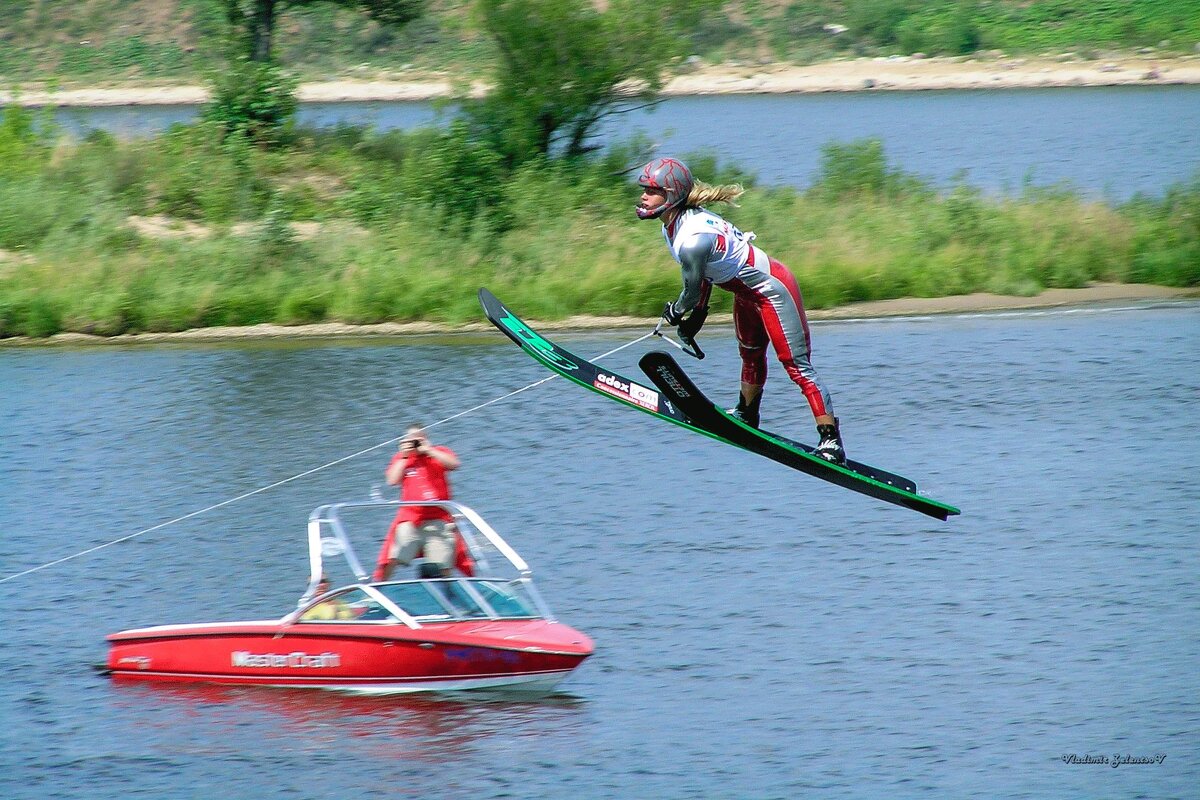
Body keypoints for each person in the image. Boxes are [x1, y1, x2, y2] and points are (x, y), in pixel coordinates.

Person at [635, 157, 846, 464]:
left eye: (652, 191)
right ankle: (747, 414)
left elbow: (691, 291)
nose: (643, 196)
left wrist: (677, 311)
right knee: (750, 354)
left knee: (796, 366)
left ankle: (831, 442)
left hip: (773, 290)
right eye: (644, 189)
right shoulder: (675, 225)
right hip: (744, 294)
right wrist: (697, 317)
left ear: (673, 195)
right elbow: (705, 276)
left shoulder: (691, 238)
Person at [373, 425, 461, 580]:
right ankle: (378, 590)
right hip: (411, 519)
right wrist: (405, 456)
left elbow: (454, 464)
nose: (415, 443)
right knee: (392, 556)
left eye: (418, 439)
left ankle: (448, 592)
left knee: (443, 562)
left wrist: (428, 450)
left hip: (438, 518)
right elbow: (392, 480)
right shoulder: (401, 458)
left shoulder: (438, 452)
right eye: (411, 439)